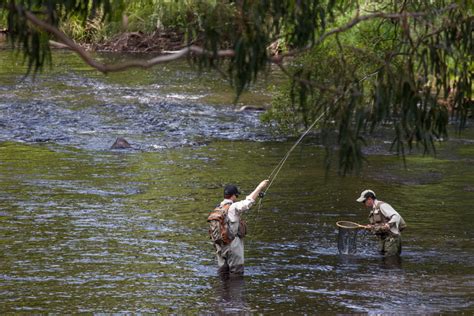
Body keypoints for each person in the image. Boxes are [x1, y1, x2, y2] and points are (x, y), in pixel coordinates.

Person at [211, 180, 269, 277]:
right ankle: (234, 292)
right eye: (236, 196)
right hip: (232, 246)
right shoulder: (233, 207)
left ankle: (221, 291)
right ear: (233, 196)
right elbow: (248, 202)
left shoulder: (218, 207)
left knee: (223, 274)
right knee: (236, 276)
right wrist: (260, 187)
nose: (236, 198)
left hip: (219, 246)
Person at [356, 189, 406, 257]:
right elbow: (379, 224)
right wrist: (371, 227)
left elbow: (396, 216)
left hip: (392, 238)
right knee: (383, 261)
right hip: (384, 238)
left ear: (370, 199)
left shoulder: (382, 206)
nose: (363, 203)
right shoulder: (374, 209)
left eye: (364, 201)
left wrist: (388, 224)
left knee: (391, 261)